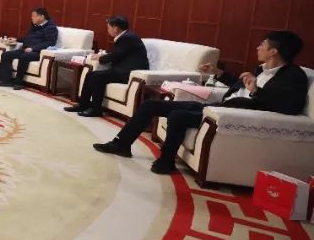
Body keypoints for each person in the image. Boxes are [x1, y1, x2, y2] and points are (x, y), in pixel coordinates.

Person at [93, 31, 308, 175]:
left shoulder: (293, 76)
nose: (258, 47)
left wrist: (256, 91)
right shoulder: (262, 69)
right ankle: (121, 144)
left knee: (178, 116)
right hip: (219, 107)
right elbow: (240, 86)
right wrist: (218, 73)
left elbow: (289, 106)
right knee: (150, 105)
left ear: (274, 51)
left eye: (263, 45)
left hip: (229, 115)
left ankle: (166, 161)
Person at [64, 15, 149, 117]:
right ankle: (83, 104)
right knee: (91, 75)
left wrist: (100, 58)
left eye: (108, 27)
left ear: (115, 28)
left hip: (130, 73)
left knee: (97, 77)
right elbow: (119, 53)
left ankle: (96, 109)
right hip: (123, 69)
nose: (107, 30)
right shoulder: (127, 36)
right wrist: (102, 56)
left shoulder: (127, 38)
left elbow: (116, 55)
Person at [0, 7, 59, 89]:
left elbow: (49, 42)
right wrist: (16, 39)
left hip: (38, 52)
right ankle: (6, 80)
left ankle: (18, 83)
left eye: (34, 16)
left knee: (24, 56)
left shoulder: (51, 28)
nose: (32, 18)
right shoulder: (34, 26)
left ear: (42, 17)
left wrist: (33, 48)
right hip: (26, 49)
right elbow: (27, 38)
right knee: (6, 55)